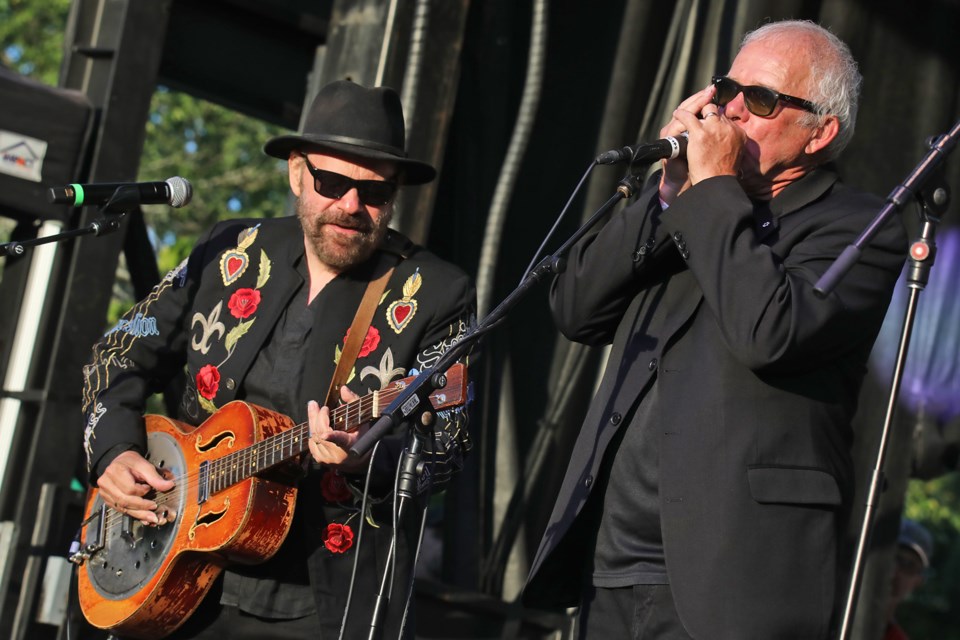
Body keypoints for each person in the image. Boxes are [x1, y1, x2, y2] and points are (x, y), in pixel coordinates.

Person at [523, 19, 907, 640]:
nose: (727, 112)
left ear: (820, 133)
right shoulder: (692, 203)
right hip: (612, 565)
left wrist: (714, 190)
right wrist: (667, 195)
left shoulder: (857, 228)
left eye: (758, 101)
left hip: (734, 576)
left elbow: (768, 332)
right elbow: (576, 310)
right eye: (725, 89)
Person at [80, 80, 476, 639]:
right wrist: (115, 452)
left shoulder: (436, 292)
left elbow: (447, 448)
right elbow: (119, 353)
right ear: (296, 171)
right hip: (174, 565)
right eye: (332, 182)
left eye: (375, 193)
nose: (351, 206)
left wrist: (361, 458)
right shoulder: (230, 250)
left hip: (319, 599)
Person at [883, 518, 933, 640]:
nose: (895, 570)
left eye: (909, 565)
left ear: (918, 581)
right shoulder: (834, 615)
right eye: (890, 557)